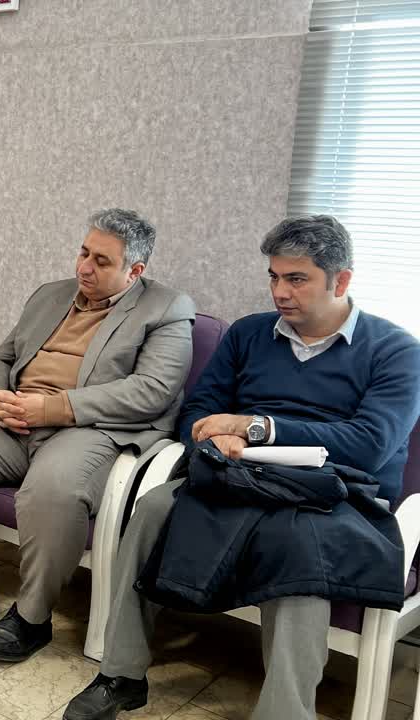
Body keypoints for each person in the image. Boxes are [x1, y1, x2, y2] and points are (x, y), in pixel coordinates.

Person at [64, 215, 420, 720]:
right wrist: (215, 438)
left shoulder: (397, 351)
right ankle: (120, 674)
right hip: (240, 476)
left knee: (302, 555)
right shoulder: (249, 334)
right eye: (274, 276)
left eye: (297, 279)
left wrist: (256, 428)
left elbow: (369, 445)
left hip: (332, 493)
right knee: (153, 509)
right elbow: (197, 411)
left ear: (340, 280)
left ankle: (285, 713)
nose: (280, 291)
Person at [0, 209, 196, 664]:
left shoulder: (167, 309)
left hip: (89, 428)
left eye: (102, 261)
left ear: (134, 271)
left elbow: (153, 390)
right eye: (84, 252)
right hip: (16, 419)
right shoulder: (50, 295)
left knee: (53, 490)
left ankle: (32, 616)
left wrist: (54, 407)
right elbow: (1, 356)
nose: (84, 267)